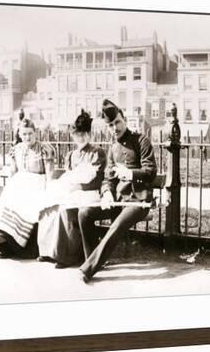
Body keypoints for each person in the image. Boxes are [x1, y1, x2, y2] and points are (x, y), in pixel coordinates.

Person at [78, 99, 157, 283]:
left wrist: (129, 173)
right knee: (84, 214)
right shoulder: (113, 148)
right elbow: (108, 179)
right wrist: (106, 193)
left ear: (125, 120)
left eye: (117, 122)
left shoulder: (141, 141)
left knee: (117, 225)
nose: (115, 128)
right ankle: (92, 259)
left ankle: (88, 269)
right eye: (111, 125)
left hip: (138, 201)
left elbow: (150, 171)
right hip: (118, 201)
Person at [37, 110, 106, 268]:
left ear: (89, 134)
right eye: (77, 135)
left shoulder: (97, 153)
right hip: (74, 191)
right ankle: (48, 251)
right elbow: (68, 177)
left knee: (64, 207)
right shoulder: (71, 155)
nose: (80, 138)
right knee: (49, 204)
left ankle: (68, 255)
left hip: (90, 192)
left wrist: (78, 186)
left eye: (83, 135)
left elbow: (97, 181)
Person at [0, 118, 55, 259]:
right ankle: (5, 242)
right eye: (24, 134)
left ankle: (21, 244)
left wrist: (50, 190)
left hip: (38, 183)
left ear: (36, 133)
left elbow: (50, 173)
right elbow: (14, 171)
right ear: (20, 134)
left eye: (30, 133)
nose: (27, 137)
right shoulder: (17, 149)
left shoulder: (44, 148)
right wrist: (12, 161)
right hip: (21, 183)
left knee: (26, 203)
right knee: (10, 198)